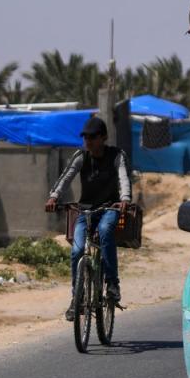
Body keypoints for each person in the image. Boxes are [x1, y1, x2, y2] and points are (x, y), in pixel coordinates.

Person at [45, 116, 131, 320]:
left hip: (110, 207)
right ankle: (77, 300)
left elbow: (123, 177)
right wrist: (54, 196)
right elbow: (66, 177)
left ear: (103, 137)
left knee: (104, 232)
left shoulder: (116, 155)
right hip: (85, 210)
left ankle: (112, 284)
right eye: (85, 137)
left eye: (92, 137)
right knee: (76, 251)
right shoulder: (81, 157)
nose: (88, 141)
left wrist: (125, 198)